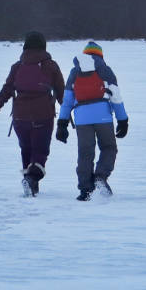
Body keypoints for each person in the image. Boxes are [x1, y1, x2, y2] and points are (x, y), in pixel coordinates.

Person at [0, 31, 65, 197]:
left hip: (20, 117)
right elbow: (62, 95)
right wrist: (70, 117)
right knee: (40, 151)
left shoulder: (17, 67)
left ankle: (29, 182)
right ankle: (32, 179)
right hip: (43, 115)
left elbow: (5, 92)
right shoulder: (51, 66)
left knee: (26, 149)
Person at [55, 41, 128, 201]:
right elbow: (115, 96)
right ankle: (100, 177)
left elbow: (67, 101)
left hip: (82, 120)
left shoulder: (75, 72)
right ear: (100, 55)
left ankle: (85, 190)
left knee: (85, 154)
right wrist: (123, 120)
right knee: (109, 148)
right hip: (103, 117)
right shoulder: (105, 70)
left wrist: (62, 124)